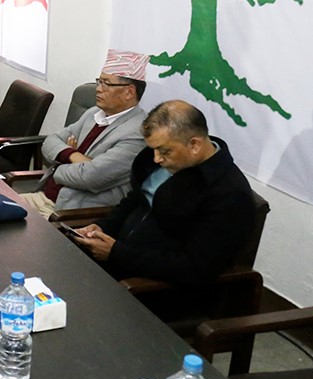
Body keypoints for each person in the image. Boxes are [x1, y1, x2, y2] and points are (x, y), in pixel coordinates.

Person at [73, 100, 256, 286]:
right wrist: (102, 228)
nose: (156, 159)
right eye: (153, 149)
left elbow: (195, 267)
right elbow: (133, 202)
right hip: (113, 263)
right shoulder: (163, 162)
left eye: (164, 151)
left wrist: (117, 254)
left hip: (148, 287)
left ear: (194, 145)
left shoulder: (230, 195)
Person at [22, 50, 149, 217]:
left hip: (68, 212)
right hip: (42, 197)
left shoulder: (137, 133)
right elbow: (50, 141)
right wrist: (74, 155)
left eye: (106, 84)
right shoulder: (94, 113)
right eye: (99, 81)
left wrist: (59, 165)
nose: (98, 89)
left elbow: (90, 177)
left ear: (129, 92)